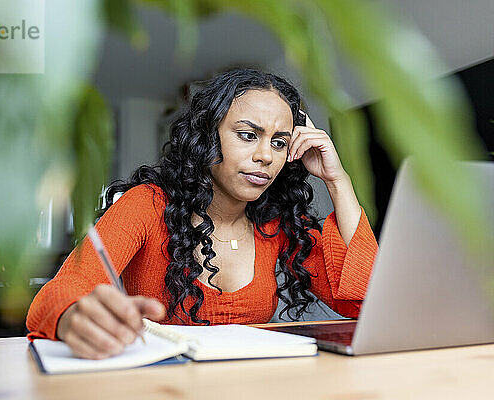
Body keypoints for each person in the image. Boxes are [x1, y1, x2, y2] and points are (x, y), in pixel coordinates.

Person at [26, 68, 378, 360]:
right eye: (246, 135)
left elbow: (365, 304)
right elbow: (60, 292)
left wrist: (337, 179)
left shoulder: (277, 224)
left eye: (279, 142)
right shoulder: (147, 204)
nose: (265, 156)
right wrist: (74, 316)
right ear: (208, 138)